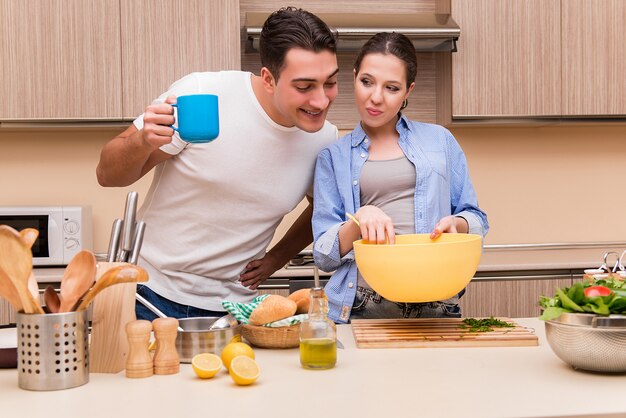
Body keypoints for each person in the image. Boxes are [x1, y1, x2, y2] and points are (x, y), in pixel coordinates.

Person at [96, 7, 339, 321]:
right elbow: (108, 175)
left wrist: (277, 257)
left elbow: (322, 208)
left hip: (234, 308)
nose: (320, 101)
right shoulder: (203, 95)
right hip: (148, 294)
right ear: (269, 79)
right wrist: (141, 142)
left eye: (330, 83)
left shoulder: (323, 140)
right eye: (304, 87)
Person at [312, 32, 488, 324]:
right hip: (365, 305)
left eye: (392, 87)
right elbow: (323, 256)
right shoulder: (333, 157)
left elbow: (478, 220)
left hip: (438, 303)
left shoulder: (440, 141)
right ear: (353, 77)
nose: (376, 97)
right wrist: (359, 220)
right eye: (366, 81)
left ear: (408, 91)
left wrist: (456, 224)